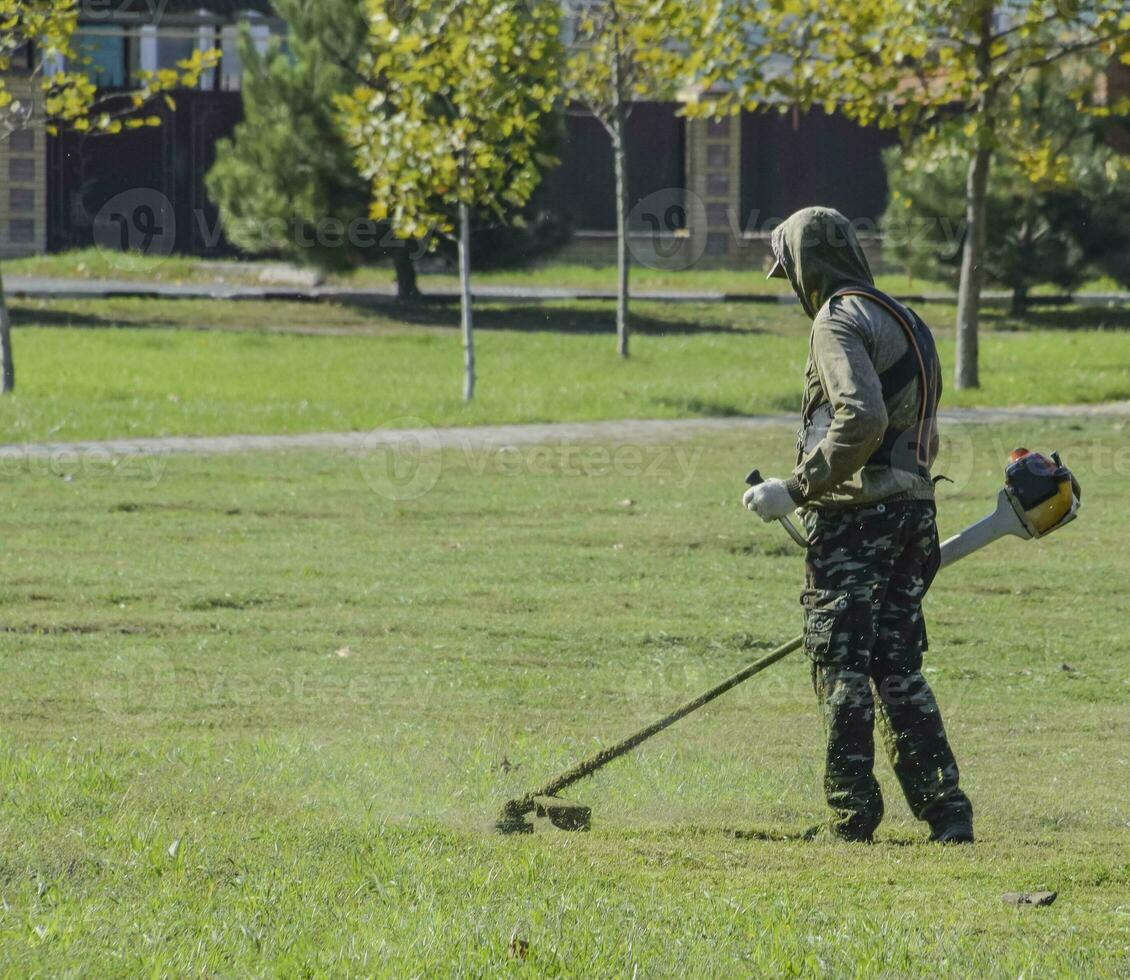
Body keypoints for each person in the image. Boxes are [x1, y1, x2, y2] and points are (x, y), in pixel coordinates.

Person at [742, 206, 973, 844]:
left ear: (805, 267)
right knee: (897, 664)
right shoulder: (905, 318)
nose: (791, 286)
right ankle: (947, 811)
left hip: (857, 520)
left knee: (840, 661)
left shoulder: (836, 319)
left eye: (788, 272)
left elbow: (862, 417)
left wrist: (794, 489)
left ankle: (852, 817)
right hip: (915, 515)